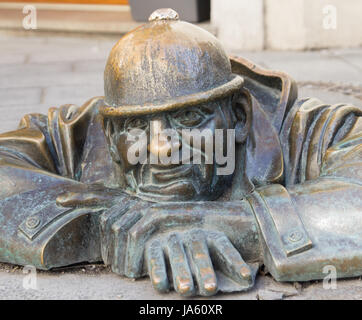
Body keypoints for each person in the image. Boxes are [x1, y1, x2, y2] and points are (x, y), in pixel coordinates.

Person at [0, 8, 361, 296]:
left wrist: (241, 224)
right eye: (137, 127)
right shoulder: (77, 132)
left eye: (188, 118)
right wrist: (105, 221)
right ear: (110, 132)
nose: (159, 149)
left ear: (238, 115)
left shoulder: (307, 131)